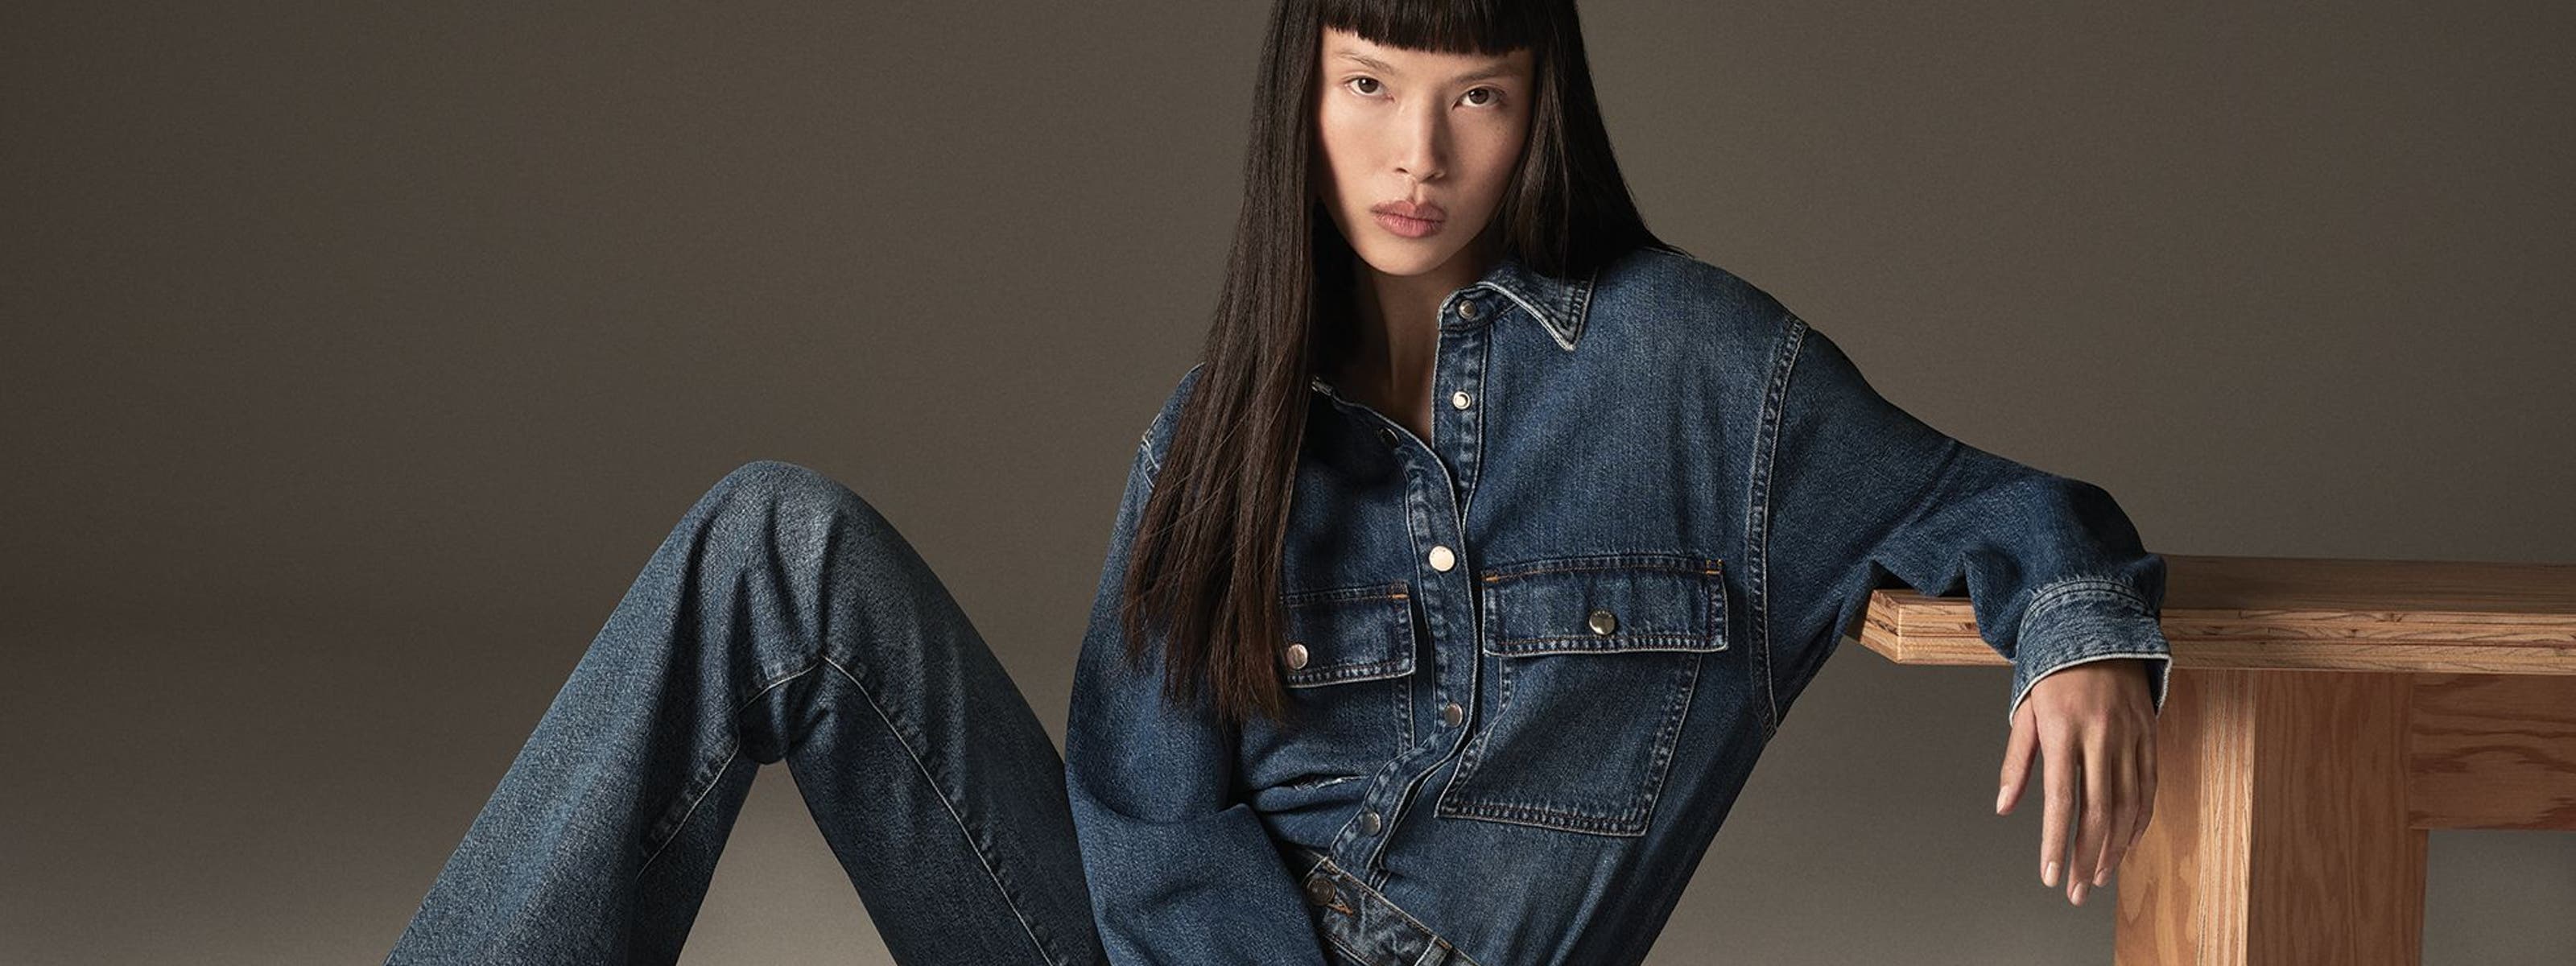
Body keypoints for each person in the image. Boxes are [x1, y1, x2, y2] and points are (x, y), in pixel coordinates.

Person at [384, 2, 2172, 964]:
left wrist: (2076, 635)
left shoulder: (1702, 374)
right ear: (1299, 98)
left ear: (1541, 100)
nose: (1416, 155)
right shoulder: (1217, 436)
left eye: (1473, 93)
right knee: (776, 539)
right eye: (1371, 83)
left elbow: (2001, 506)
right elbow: (1146, 826)